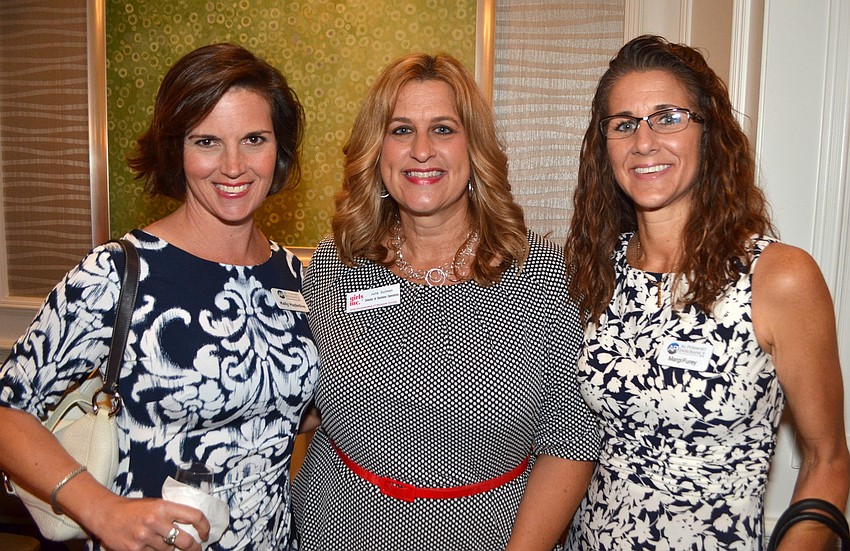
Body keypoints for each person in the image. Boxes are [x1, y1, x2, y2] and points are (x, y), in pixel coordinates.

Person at [0, 43, 319, 550]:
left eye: (254, 139)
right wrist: (98, 507)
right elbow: (7, 410)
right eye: (207, 141)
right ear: (177, 150)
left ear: (278, 150)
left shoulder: (297, 277)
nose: (233, 166)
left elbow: (289, 407)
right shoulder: (117, 273)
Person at [290, 52, 599, 549]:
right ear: (377, 150)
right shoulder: (333, 267)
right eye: (400, 130)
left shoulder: (542, 272)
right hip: (338, 527)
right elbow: (302, 401)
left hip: (493, 534)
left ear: (474, 148)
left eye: (443, 129)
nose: (421, 150)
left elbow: (570, 436)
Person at [563, 34, 850, 549]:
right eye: (624, 124)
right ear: (603, 146)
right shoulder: (589, 271)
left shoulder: (779, 278)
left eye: (668, 117)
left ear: (709, 133)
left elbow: (828, 460)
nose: (644, 141)